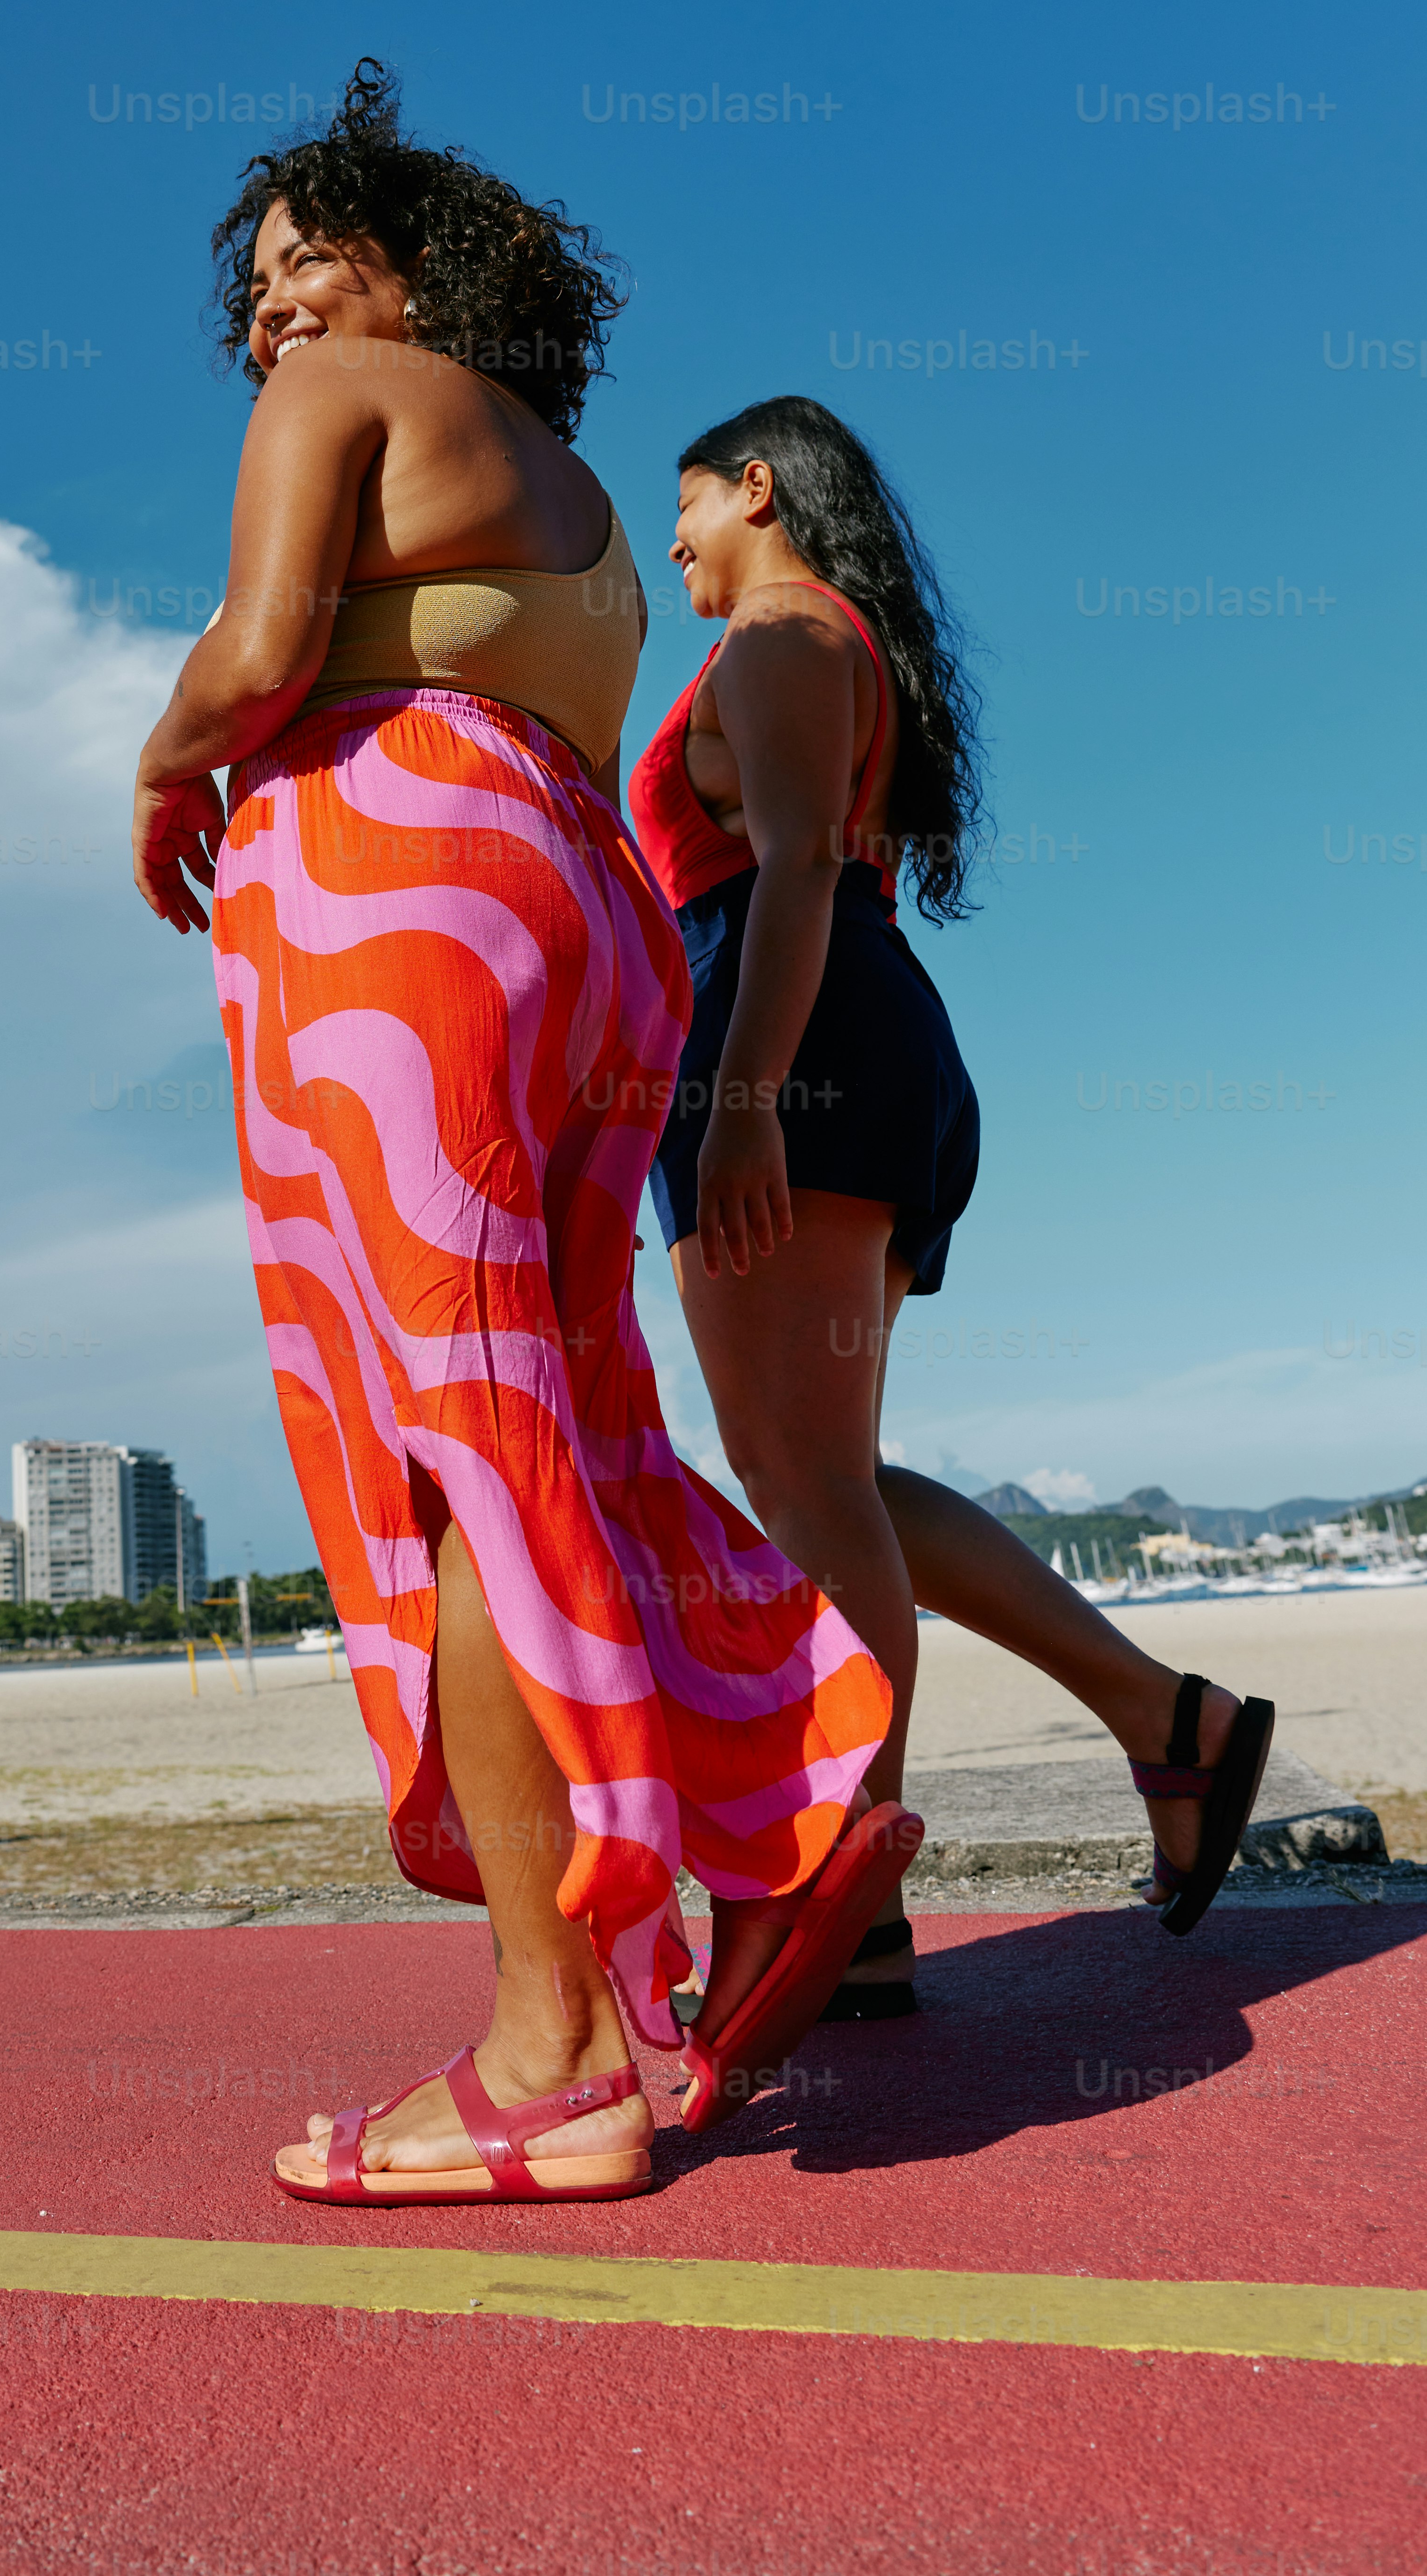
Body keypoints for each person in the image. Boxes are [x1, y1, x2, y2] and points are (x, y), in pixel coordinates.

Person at [131, 72, 917, 2206]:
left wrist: (158, 758)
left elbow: (267, 647)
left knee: (445, 1443)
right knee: (560, 1411)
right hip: (575, 921)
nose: (284, 298)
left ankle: (552, 2043)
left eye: (321, 249)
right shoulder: (564, 489)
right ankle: (771, 1802)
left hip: (397, 907)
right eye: (265, 272)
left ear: (411, 272)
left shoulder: (349, 401)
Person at [630, 398, 1275, 2014]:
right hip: (846, 1025)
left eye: (686, 505)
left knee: (802, 1485)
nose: (675, 542)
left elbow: (783, 869)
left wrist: (745, 1104)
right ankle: (1166, 1724)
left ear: (756, 488)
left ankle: (835, 1892)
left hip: (789, 1037)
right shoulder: (829, 640)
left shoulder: (778, 636)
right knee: (822, 1474)